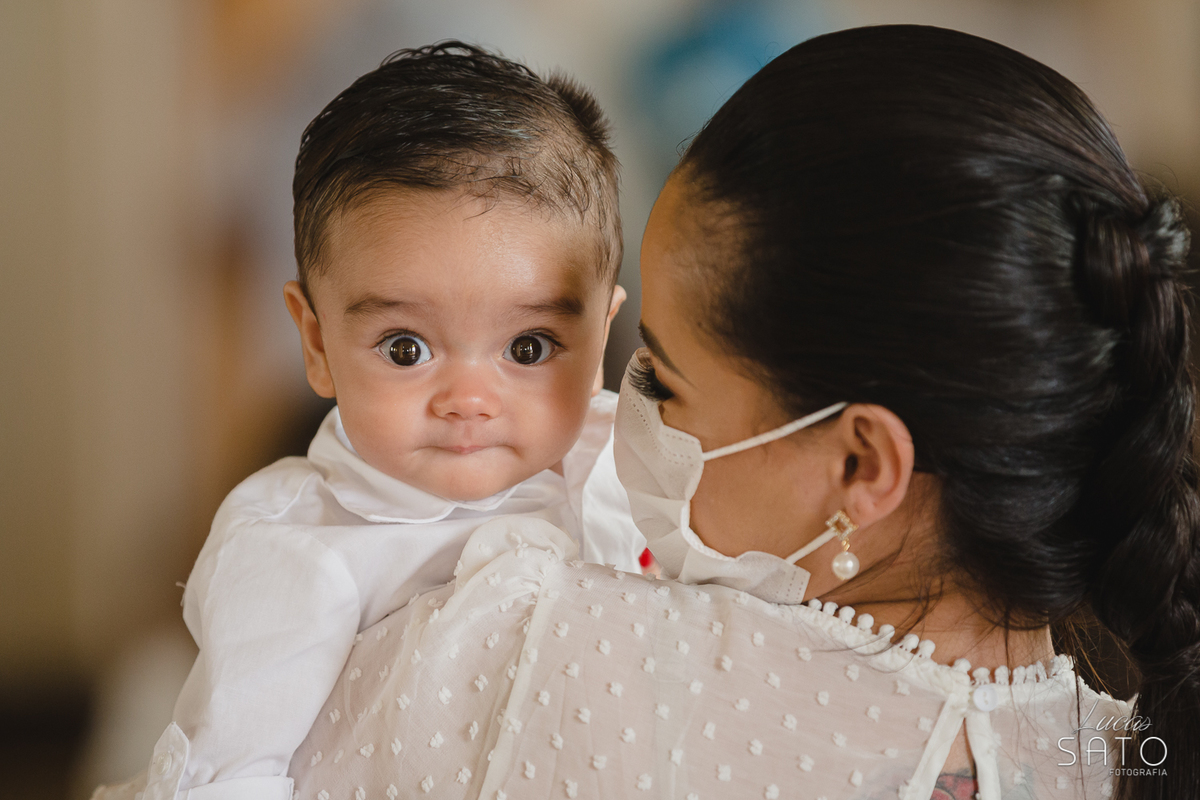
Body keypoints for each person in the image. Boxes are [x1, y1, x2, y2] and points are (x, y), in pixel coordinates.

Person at [285, 25, 1197, 800]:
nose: (622, 404)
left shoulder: (541, 655)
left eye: (668, 382)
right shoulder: (1109, 746)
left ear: (858, 466)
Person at [92, 43, 645, 800]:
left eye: (530, 346)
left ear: (603, 340)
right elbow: (233, 771)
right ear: (317, 342)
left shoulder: (639, 471)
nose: (469, 398)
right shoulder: (303, 551)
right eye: (406, 347)